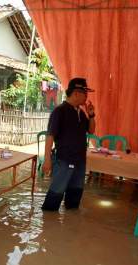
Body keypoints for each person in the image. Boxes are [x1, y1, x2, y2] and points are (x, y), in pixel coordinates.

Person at [41, 78, 96, 211]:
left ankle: (69, 226)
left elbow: (91, 130)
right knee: (54, 197)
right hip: (64, 161)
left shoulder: (81, 113)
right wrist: (47, 160)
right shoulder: (59, 111)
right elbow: (50, 136)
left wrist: (91, 115)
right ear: (76, 93)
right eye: (85, 94)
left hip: (80, 161)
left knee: (74, 198)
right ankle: (47, 227)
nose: (86, 98)